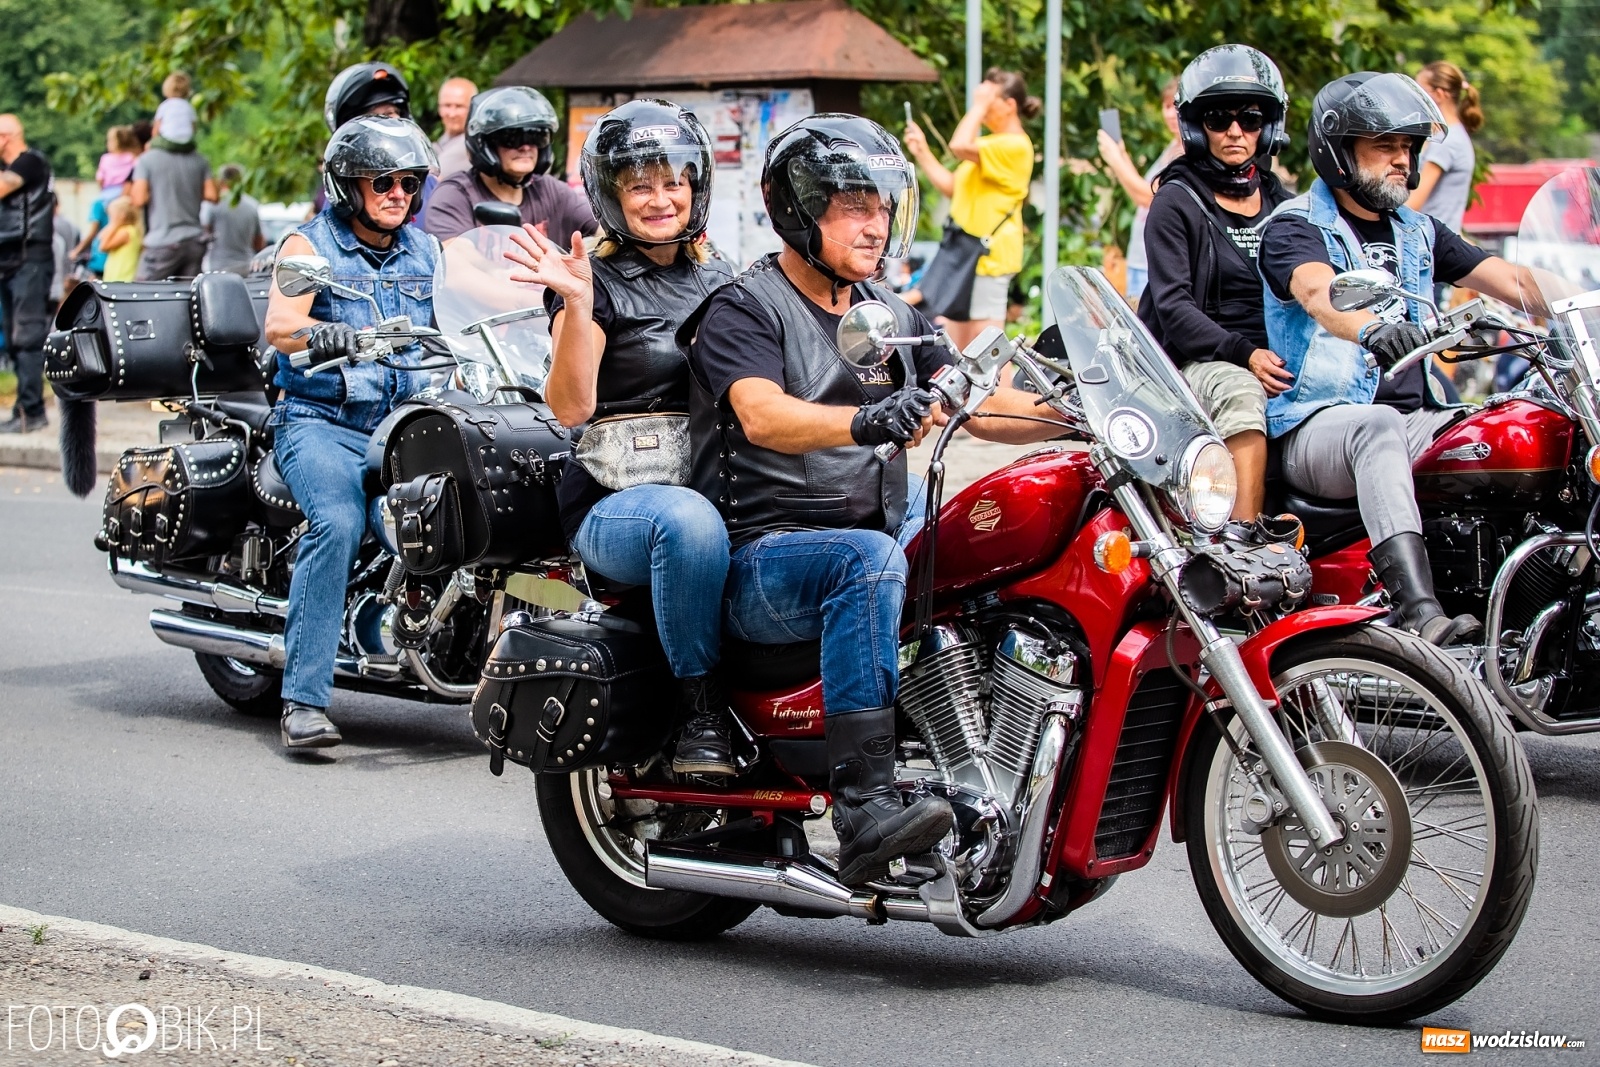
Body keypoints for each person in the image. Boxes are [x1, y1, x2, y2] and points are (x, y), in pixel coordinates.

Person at [683, 115, 1071, 884]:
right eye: (853, 204)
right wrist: (865, 419)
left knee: (995, 533)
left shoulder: (887, 312)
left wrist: (1086, 415)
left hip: (870, 528)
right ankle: (863, 807)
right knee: (869, 561)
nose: (876, 223)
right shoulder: (745, 307)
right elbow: (762, 414)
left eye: (885, 205)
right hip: (764, 558)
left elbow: (980, 404)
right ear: (798, 209)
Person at [1258, 72, 1556, 645]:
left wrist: (1581, 306)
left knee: (1511, 427)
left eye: (1408, 147)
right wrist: (1372, 329)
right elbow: (1320, 293)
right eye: (1385, 147)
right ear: (1341, 154)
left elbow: (1513, 278)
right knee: (1378, 426)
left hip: (1413, 420)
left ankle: (1527, 605)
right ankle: (1417, 608)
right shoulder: (1295, 227)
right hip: (1315, 427)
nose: (1402, 160)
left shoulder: (1418, 231)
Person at [503, 99, 739, 774]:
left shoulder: (724, 276)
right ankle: (701, 712)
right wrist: (576, 306)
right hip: (618, 501)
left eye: (674, 181)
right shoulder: (590, 282)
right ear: (611, 194)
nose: (661, 198)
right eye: (640, 184)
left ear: (697, 185)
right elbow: (571, 404)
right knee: (687, 524)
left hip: (709, 482)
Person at [262, 116, 440, 749]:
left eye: (411, 182)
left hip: (402, 426)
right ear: (347, 186)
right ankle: (303, 702)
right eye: (384, 181)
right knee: (337, 522)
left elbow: (465, 314)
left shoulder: (427, 250)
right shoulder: (306, 248)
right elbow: (281, 325)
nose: (400, 194)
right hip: (321, 424)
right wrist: (320, 334)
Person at [1136, 45, 1292, 520]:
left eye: (1249, 119)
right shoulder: (1176, 201)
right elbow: (1175, 310)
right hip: (1197, 362)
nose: (1234, 132)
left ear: (1268, 127)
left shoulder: (1283, 203)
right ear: (1194, 127)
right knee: (1240, 390)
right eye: (1218, 120)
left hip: (1274, 357)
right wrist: (1244, 353)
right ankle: (1243, 543)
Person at [902, 69, 1038, 347]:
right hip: (965, 254)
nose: (983, 107)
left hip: (988, 258)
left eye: (990, 100)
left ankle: (1004, 393)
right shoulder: (989, 145)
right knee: (956, 347)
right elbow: (953, 188)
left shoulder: (1016, 146)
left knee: (986, 349)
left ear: (1010, 105)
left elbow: (958, 144)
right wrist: (922, 152)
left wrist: (978, 104)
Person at [423, 85, 595, 244]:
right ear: (485, 144)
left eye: (536, 136)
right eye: (512, 138)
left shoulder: (550, 191)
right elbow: (458, 259)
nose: (526, 147)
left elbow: (604, 230)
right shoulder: (455, 195)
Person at [1098, 79, 1182, 303]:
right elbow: (1142, 191)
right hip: (1139, 256)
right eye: (1166, 107)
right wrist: (1121, 155)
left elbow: (1149, 198)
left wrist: (1116, 161)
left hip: (1155, 262)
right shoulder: (1171, 147)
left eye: (1176, 106)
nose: (1171, 114)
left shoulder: (1186, 153)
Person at [0, 115, 55, 434]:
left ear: (5, 137)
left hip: (30, 256)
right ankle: (23, 408)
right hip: (9, 257)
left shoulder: (30, 162)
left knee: (27, 334)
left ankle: (31, 411)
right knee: (12, 335)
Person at [128, 128, 216, 280]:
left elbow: (138, 199)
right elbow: (212, 195)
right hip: (194, 241)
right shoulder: (200, 160)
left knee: (143, 295)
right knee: (187, 297)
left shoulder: (147, 159)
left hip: (162, 240)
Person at [1408, 61, 1482, 235]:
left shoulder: (1447, 142)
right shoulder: (1450, 136)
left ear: (1439, 94)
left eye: (1420, 93)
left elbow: (1413, 203)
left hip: (1432, 243)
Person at [201, 163, 265, 274]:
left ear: (221, 181)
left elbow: (203, 233)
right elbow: (259, 243)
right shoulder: (252, 205)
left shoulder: (213, 204)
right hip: (246, 267)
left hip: (217, 267)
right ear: (241, 180)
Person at [433, 76, 477, 177]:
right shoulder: (438, 144)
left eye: (459, 106)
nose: (452, 114)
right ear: (439, 107)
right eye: (447, 105)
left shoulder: (472, 146)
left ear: (473, 109)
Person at [98, 194, 143, 282]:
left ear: (122, 215)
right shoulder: (129, 230)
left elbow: (103, 246)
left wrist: (114, 224)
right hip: (117, 277)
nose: (110, 220)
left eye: (112, 216)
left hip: (121, 277)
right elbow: (101, 236)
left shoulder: (126, 232)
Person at [151, 71, 198, 152]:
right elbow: (193, 127)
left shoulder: (164, 106)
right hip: (186, 143)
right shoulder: (188, 106)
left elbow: (156, 130)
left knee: (151, 144)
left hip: (169, 142)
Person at [96, 125, 141, 190]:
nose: (107, 143)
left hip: (109, 191)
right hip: (128, 191)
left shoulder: (105, 158)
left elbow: (100, 179)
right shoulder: (133, 157)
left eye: (110, 140)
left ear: (118, 142)